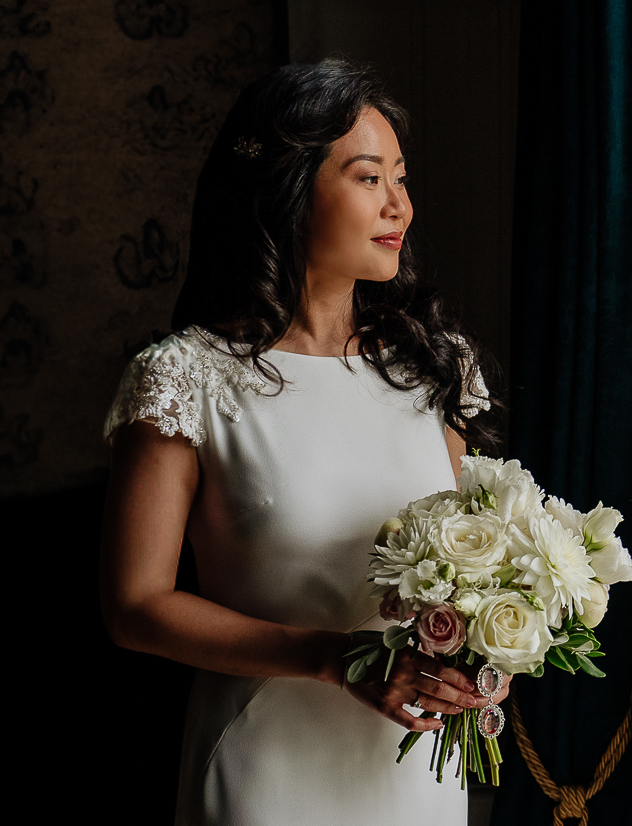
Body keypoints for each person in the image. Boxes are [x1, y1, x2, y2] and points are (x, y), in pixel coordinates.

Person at [100, 60, 509, 825]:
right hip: (266, 765)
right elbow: (135, 605)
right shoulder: (184, 378)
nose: (402, 206)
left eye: (402, 177)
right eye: (368, 178)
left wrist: (486, 654)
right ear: (288, 192)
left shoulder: (435, 366)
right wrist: (330, 657)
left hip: (410, 771)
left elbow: (470, 569)